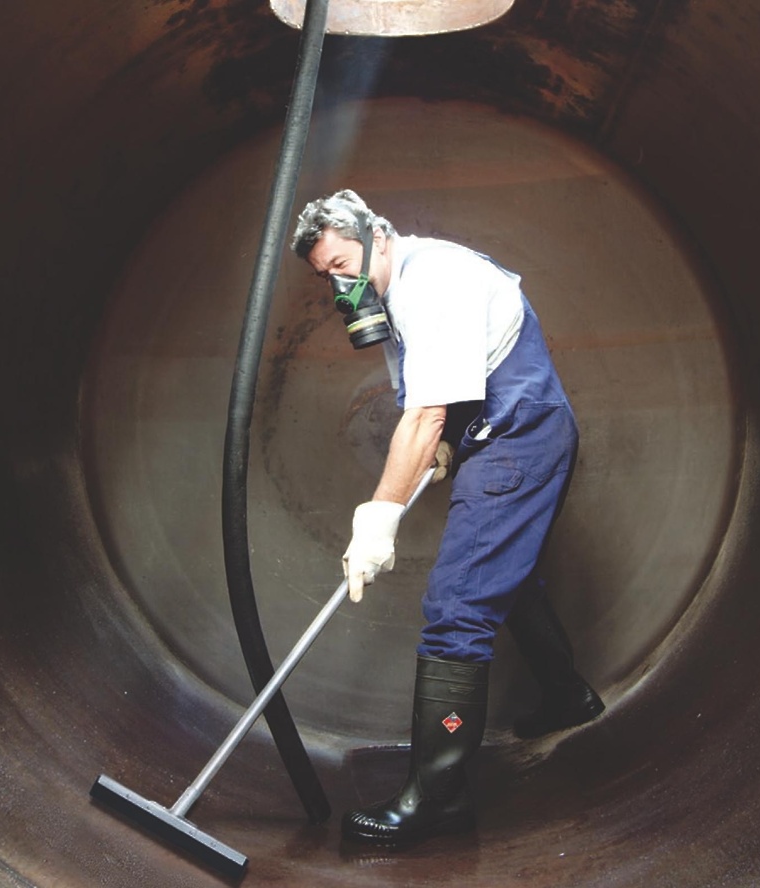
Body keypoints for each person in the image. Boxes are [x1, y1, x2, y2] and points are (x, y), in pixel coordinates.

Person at [289, 189, 604, 846]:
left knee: (457, 605)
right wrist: (447, 449)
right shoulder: (398, 297)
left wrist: (377, 518)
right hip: (504, 434)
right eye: (329, 276)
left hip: (519, 439)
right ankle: (566, 694)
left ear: (376, 233)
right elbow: (455, 396)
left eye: (344, 263)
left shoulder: (430, 279)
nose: (342, 284)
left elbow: (426, 414)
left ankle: (438, 800)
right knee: (504, 581)